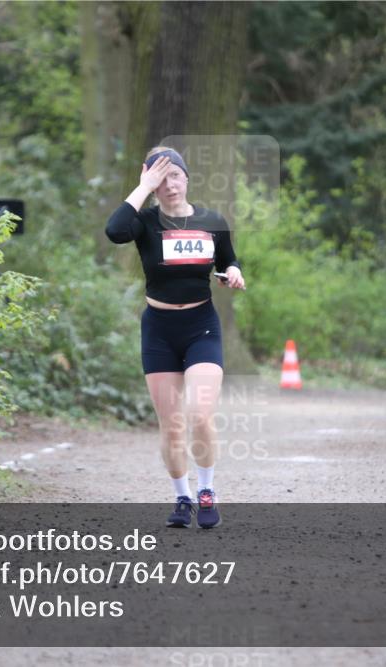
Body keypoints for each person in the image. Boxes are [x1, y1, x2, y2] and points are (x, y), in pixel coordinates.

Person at [105, 146, 246, 529]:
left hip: (201, 327)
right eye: (160, 178)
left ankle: (207, 491)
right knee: (171, 425)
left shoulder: (211, 221)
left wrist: (233, 271)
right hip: (159, 331)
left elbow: (229, 259)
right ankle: (181, 497)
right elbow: (115, 230)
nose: (170, 185)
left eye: (175, 175)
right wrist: (142, 187)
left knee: (199, 415)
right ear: (150, 182)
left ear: (187, 178)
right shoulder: (144, 222)